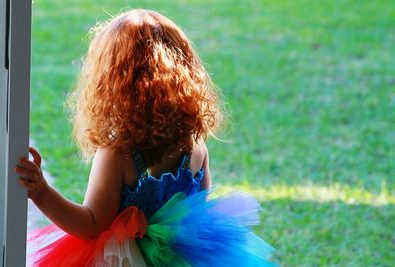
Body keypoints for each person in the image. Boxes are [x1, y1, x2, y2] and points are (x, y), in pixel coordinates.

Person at [15, 9, 276, 267]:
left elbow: (91, 224)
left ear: (111, 84)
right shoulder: (195, 146)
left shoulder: (118, 154)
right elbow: (201, 214)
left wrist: (42, 193)